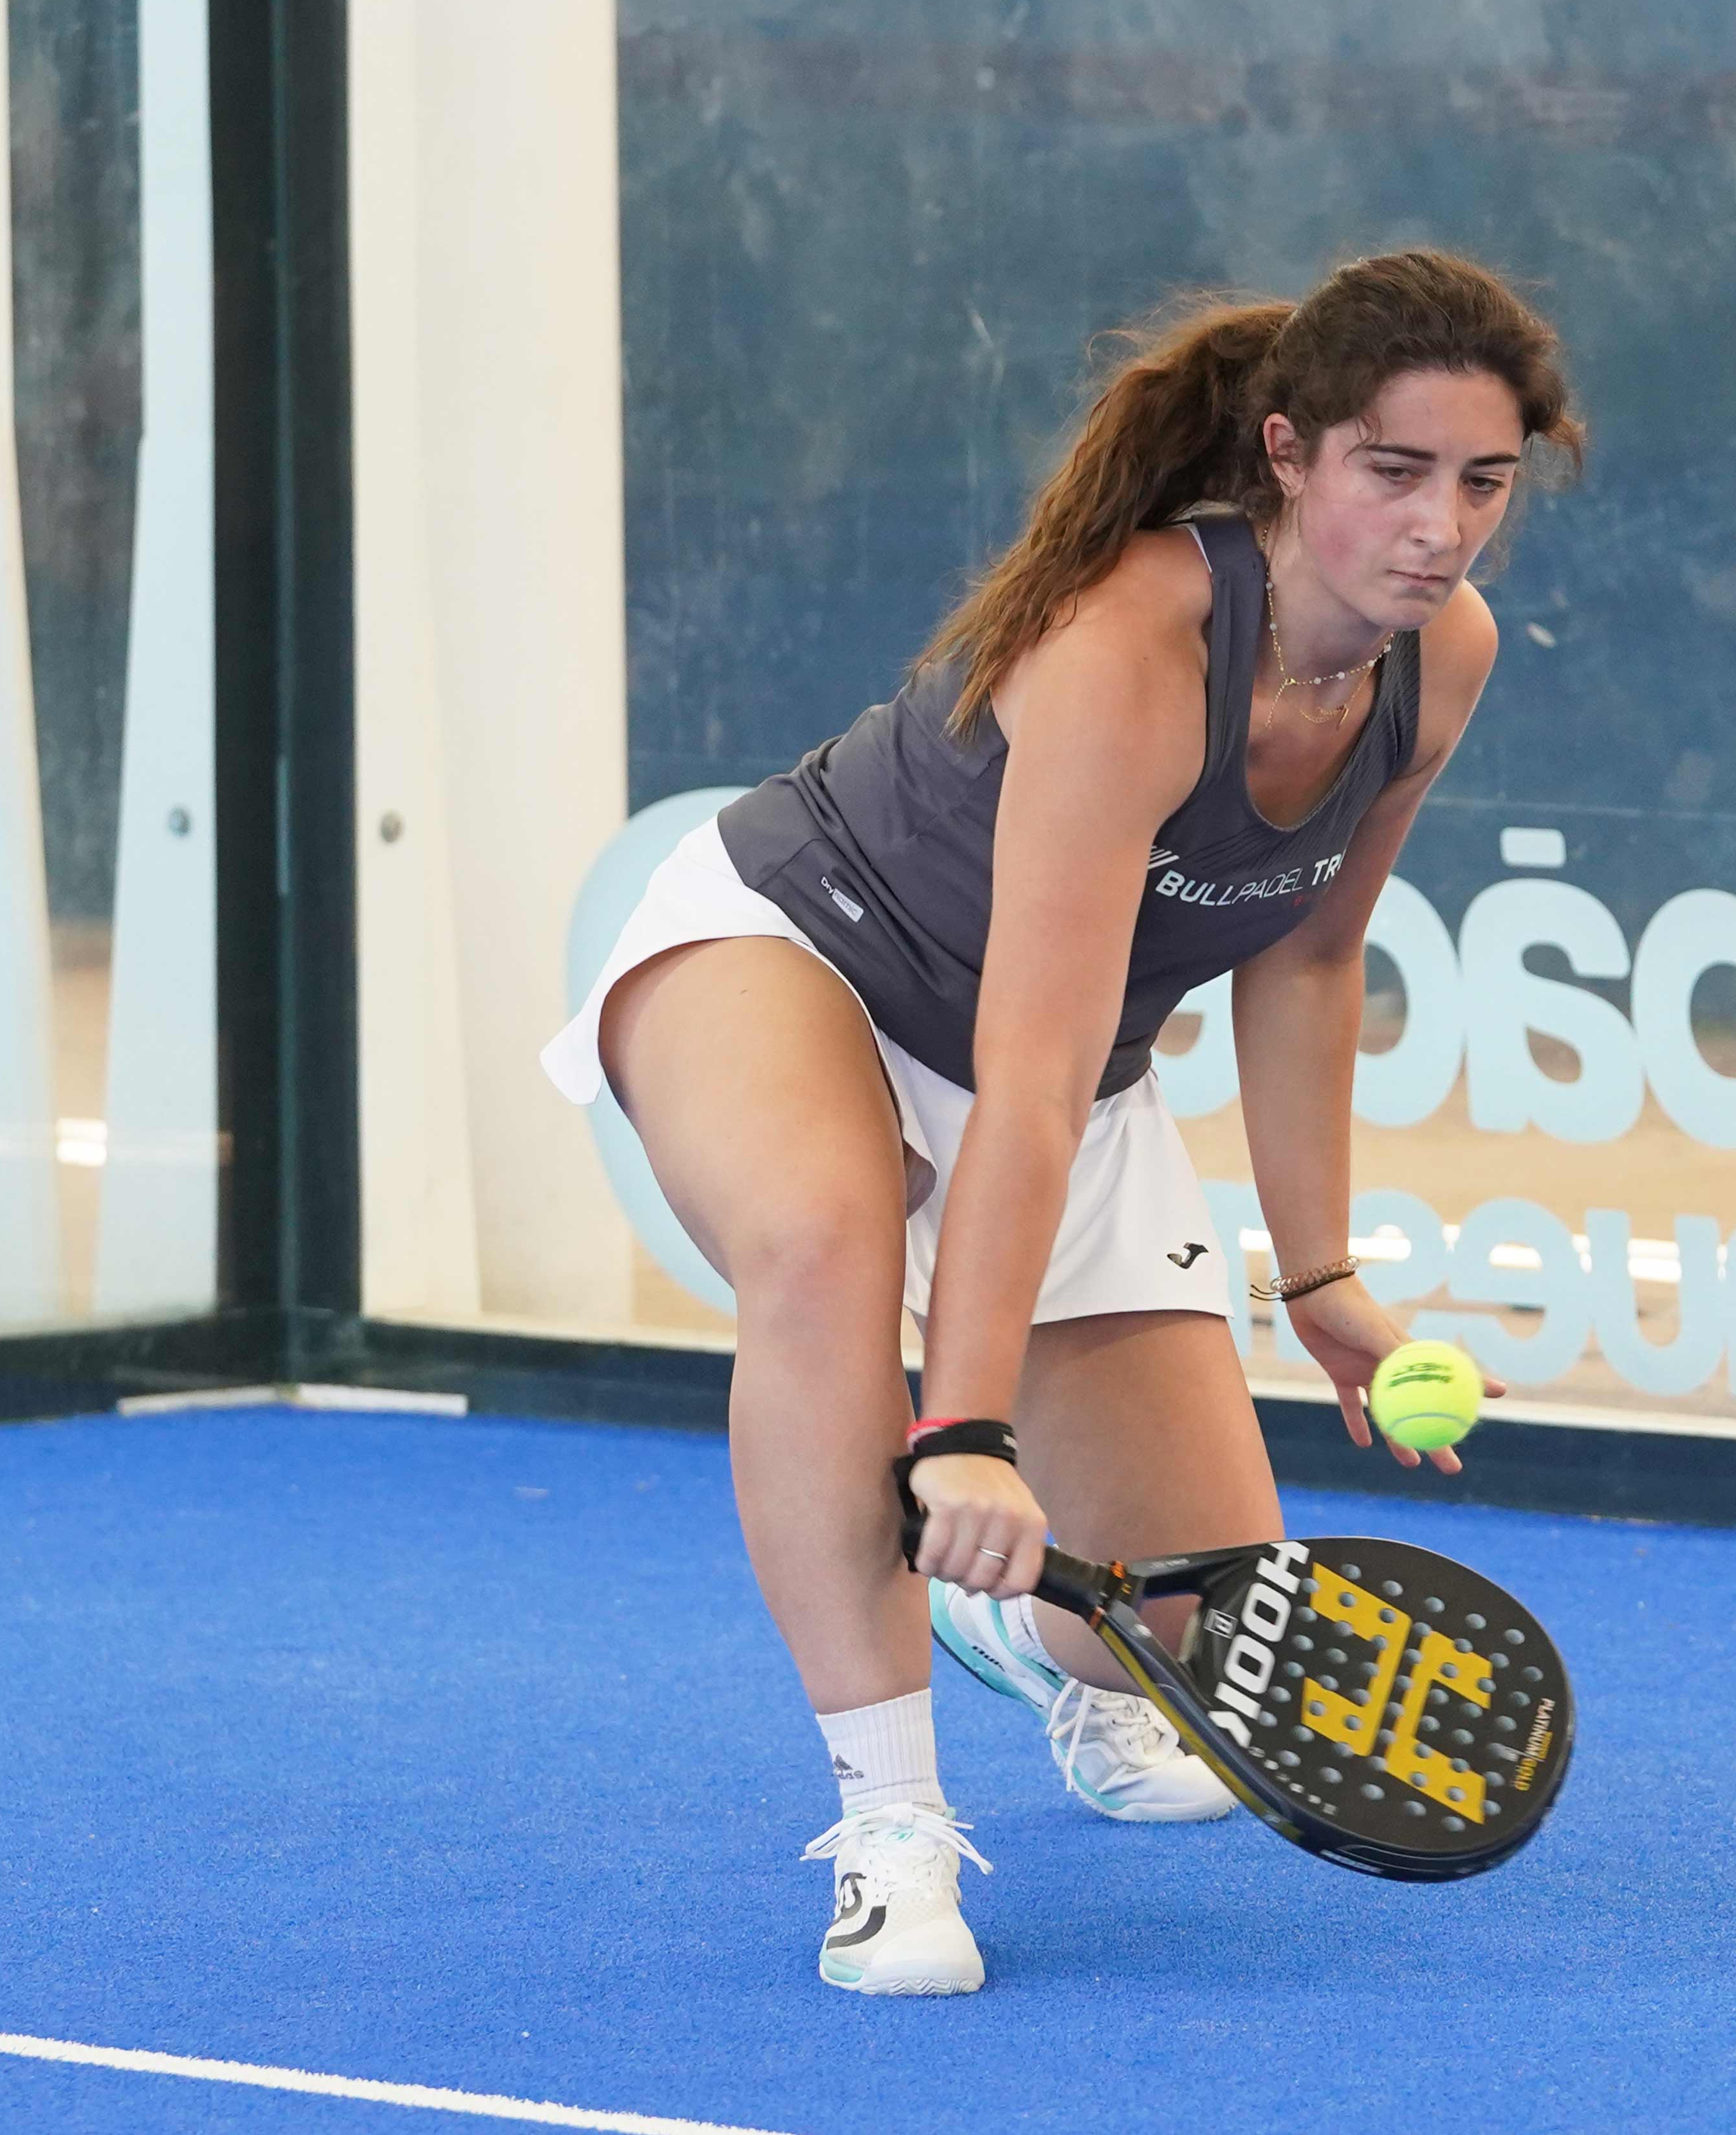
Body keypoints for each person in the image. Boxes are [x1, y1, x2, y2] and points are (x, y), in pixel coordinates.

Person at [542, 250, 1580, 1994]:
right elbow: (1020, 1087)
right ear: (1290, 453)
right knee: (823, 1241)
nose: (1441, 528)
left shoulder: (1440, 658)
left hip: (1058, 1069)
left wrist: (1320, 1276)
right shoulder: (1130, 641)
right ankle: (889, 1825)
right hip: (797, 953)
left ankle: (1017, 1640)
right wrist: (963, 1427)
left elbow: (1313, 956)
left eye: (1484, 481)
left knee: (1181, 1617)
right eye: (1395, 471)